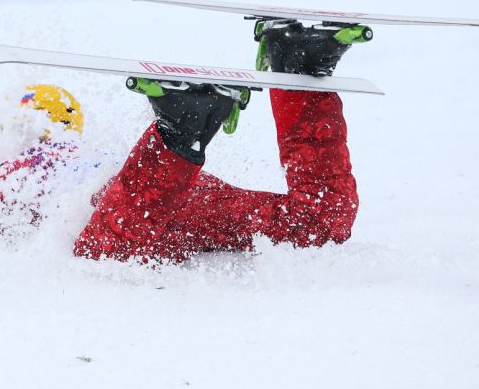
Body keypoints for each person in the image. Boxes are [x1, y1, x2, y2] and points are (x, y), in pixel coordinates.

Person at [73, 20, 360, 263]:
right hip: (177, 187)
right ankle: (296, 64)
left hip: (147, 194)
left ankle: (181, 131)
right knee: (319, 224)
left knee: (100, 257)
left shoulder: (35, 167)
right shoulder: (68, 151)